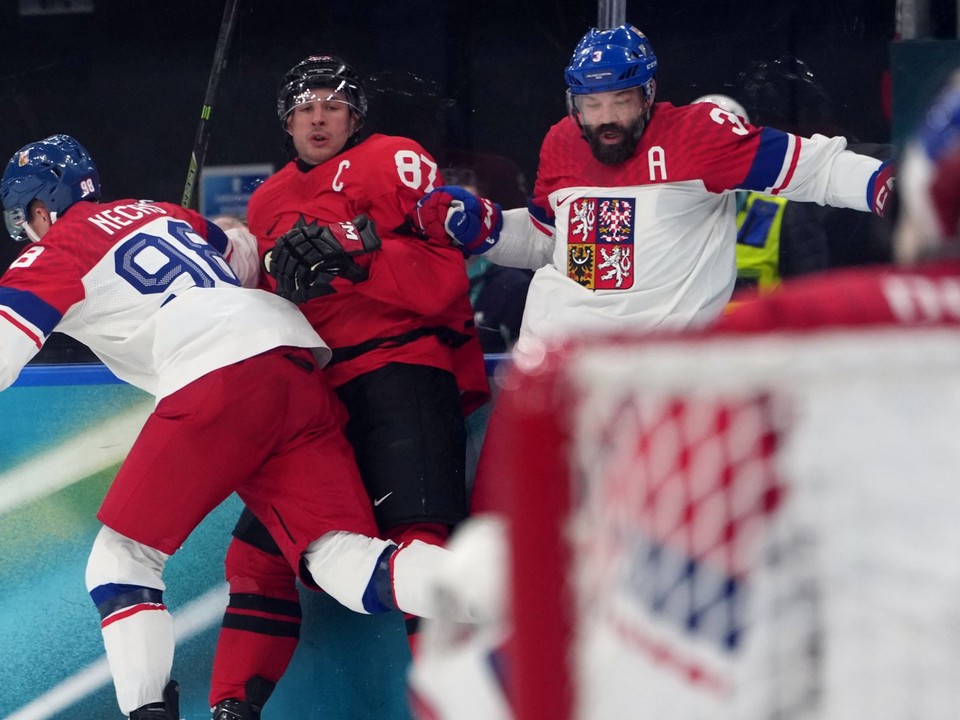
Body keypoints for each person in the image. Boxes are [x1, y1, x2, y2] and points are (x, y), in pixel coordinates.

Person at [0, 134, 480, 720]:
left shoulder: (54, 248)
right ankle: (509, 587)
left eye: (24, 220)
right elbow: (247, 252)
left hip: (217, 372)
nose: (25, 234)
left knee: (122, 560)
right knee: (342, 562)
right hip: (295, 361)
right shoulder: (164, 212)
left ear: (41, 211)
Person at [206, 55, 490, 718]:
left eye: (332, 104)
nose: (317, 117)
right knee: (258, 557)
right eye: (304, 106)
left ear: (354, 114)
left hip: (400, 373)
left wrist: (356, 249)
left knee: (422, 548)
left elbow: (442, 279)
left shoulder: (394, 159)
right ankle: (227, 710)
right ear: (286, 121)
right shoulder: (266, 200)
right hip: (314, 401)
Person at [413, 23, 894, 354]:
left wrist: (883, 184)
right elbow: (549, 243)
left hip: (652, 374)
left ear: (647, 95)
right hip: (554, 364)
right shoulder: (562, 140)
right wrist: (491, 230)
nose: (605, 119)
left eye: (620, 100)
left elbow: (817, 170)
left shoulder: (699, 134)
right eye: (591, 103)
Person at [692, 94, 832, 296]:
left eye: (727, 148)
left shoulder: (784, 213)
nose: (714, 161)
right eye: (701, 149)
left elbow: (811, 292)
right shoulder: (662, 213)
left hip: (765, 326)